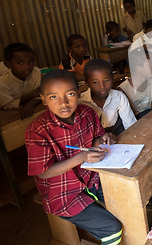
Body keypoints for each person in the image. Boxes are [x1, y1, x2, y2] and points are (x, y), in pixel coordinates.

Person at [25, 70, 122, 245]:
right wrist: (81, 157)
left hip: (91, 178)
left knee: (126, 201)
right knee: (112, 228)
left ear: (78, 93)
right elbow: (43, 173)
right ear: (43, 99)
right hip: (62, 192)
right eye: (53, 97)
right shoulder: (38, 129)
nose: (63, 102)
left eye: (70, 94)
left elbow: (95, 138)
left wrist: (102, 139)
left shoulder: (87, 113)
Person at [80, 59, 136, 135]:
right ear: (87, 82)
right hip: (93, 140)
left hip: (116, 134)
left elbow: (131, 125)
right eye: (95, 82)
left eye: (106, 80)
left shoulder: (119, 97)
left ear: (112, 78)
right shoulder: (81, 102)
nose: (102, 86)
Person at [0, 43, 41, 119]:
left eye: (31, 62)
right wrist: (32, 96)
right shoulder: (2, 83)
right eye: (20, 63)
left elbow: (42, 93)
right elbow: (6, 105)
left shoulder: (36, 72)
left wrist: (32, 103)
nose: (27, 67)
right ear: (8, 64)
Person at [118, 49, 152, 119]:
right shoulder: (123, 90)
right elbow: (128, 118)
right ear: (138, 69)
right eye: (151, 65)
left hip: (150, 118)